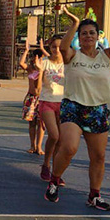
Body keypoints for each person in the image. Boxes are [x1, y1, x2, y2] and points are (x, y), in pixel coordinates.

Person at [45, 4, 110, 209]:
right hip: (73, 107)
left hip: (97, 110)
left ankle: (94, 195)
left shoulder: (107, 55)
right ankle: (54, 180)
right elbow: (63, 48)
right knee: (69, 148)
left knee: (99, 156)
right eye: (83, 33)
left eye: (91, 33)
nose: (88, 36)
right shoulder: (73, 56)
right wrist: (75, 23)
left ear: (97, 35)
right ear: (79, 36)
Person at [37, 35, 66, 183]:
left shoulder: (68, 64)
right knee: (54, 135)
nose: (57, 50)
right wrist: (36, 71)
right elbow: (38, 84)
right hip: (47, 101)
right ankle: (46, 165)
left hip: (63, 103)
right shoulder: (44, 63)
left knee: (61, 139)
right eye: (54, 47)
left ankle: (56, 172)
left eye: (60, 47)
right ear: (50, 48)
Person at [18, 40, 46, 155]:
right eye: (36, 57)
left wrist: (43, 49)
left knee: (41, 123)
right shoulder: (30, 68)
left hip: (42, 98)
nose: (37, 59)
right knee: (32, 123)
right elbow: (21, 63)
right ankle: (32, 145)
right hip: (31, 98)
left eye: (40, 57)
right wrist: (26, 50)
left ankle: (39, 146)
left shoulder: (45, 69)